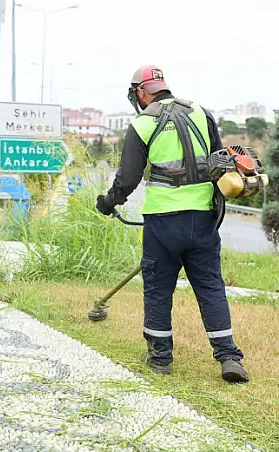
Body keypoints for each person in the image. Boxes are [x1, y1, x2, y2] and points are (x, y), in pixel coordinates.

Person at [95, 65, 250, 383]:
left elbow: (127, 179)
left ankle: (161, 358)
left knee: (158, 288)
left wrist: (108, 202)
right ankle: (229, 357)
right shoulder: (201, 113)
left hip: (163, 222)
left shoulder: (142, 123)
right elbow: (219, 161)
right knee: (210, 287)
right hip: (203, 219)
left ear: (140, 92)